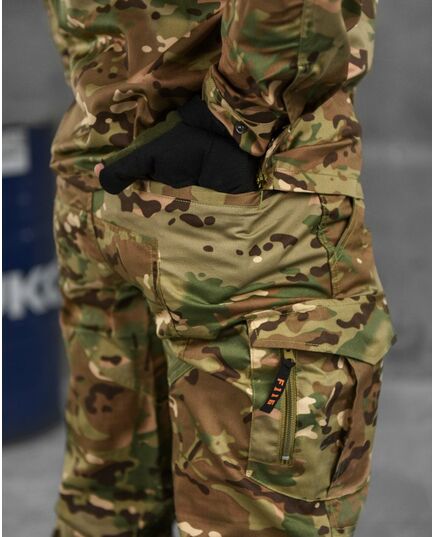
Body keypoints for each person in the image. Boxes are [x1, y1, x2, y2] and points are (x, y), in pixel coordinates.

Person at [45, 1, 397, 536]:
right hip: (242, 196)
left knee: (106, 501)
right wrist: (239, 116)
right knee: (247, 519)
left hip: (97, 166)